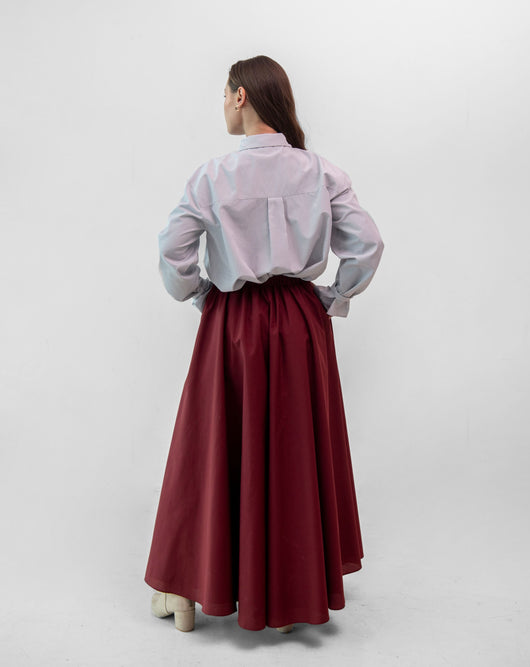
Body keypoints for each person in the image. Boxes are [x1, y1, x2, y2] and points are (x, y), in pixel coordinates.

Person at [144, 55, 385, 634]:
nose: (223, 105)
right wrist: (331, 298)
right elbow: (368, 245)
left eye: (224, 94)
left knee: (208, 447)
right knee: (294, 448)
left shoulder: (212, 176)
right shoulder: (320, 172)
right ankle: (288, 599)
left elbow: (173, 252)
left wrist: (200, 294)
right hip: (301, 321)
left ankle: (184, 593)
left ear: (241, 97)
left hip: (233, 322)